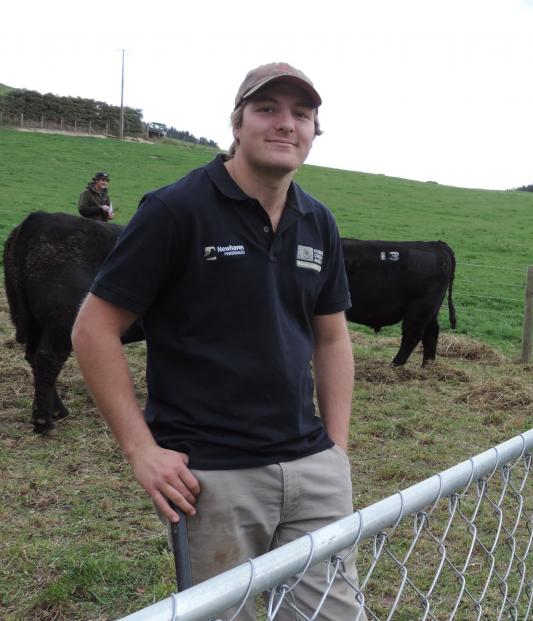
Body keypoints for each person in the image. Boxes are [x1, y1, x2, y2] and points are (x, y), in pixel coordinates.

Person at [71, 62, 362, 620]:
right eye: (267, 109)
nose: (286, 124)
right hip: (212, 476)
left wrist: (336, 449)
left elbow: (332, 340)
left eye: (301, 115)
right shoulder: (176, 210)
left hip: (312, 468)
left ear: (314, 132)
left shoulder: (317, 220)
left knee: (333, 613)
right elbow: (94, 329)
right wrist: (141, 450)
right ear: (236, 122)